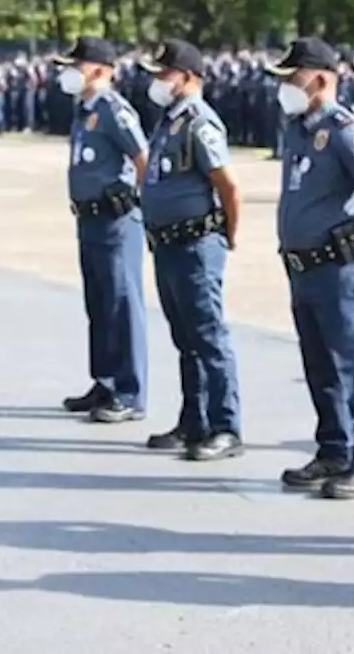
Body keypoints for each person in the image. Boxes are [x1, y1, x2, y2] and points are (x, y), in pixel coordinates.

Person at [268, 38, 354, 500]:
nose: (285, 87)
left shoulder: (344, 130)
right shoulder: (300, 128)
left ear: (321, 79)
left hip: (339, 267)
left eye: (292, 78)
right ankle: (334, 449)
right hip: (304, 267)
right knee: (320, 365)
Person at [138, 39, 245, 462]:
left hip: (197, 243)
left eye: (164, 74)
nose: (157, 82)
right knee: (186, 337)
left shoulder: (200, 122)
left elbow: (228, 186)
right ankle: (193, 421)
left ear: (188, 78)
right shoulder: (170, 121)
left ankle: (225, 425)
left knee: (209, 336)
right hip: (169, 244)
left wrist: (226, 235)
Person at [54, 36, 150, 423]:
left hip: (116, 219)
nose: (67, 73)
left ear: (99, 70)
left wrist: (144, 208)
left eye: (75, 66)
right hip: (90, 218)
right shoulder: (85, 110)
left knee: (122, 304)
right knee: (99, 303)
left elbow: (142, 158)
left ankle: (129, 391)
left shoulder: (113, 109)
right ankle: (105, 381)